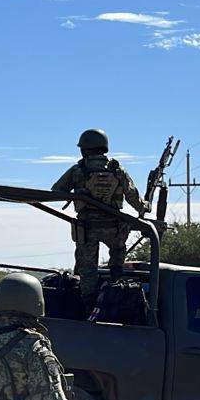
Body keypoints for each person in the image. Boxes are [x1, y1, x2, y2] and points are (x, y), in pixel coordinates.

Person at [51, 128, 146, 304]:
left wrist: (79, 193)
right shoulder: (117, 170)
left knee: (87, 271)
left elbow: (56, 192)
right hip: (114, 228)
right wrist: (143, 207)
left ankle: (89, 308)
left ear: (84, 149)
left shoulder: (78, 170)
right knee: (117, 257)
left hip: (87, 229)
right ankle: (116, 291)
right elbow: (132, 196)